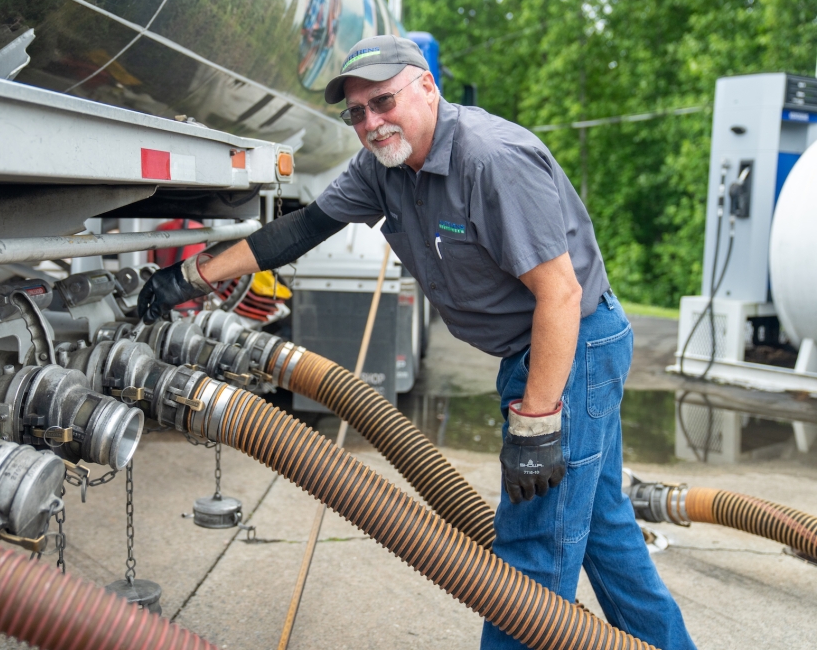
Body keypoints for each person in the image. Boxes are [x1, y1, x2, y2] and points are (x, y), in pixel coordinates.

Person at [137, 35, 695, 650]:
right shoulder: (383, 168)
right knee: (603, 533)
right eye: (357, 113)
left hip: (572, 348)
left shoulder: (490, 160)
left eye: (383, 102)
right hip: (541, 348)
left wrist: (537, 425)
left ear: (427, 86)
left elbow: (559, 295)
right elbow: (302, 229)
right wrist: (189, 276)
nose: (372, 123)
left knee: (533, 554)